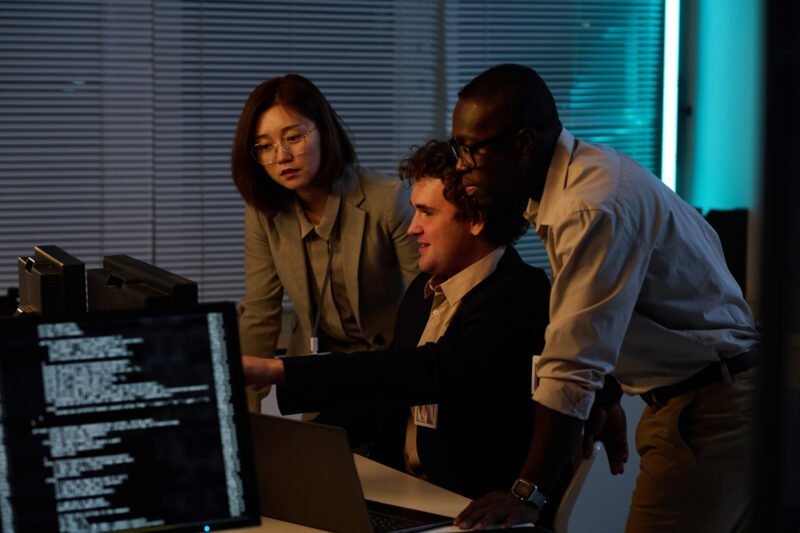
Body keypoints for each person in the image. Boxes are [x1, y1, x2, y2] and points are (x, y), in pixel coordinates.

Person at [448, 64, 760, 532]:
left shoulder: (589, 205)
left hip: (709, 409)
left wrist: (527, 492)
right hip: (707, 399)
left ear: (524, 142)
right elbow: (617, 312)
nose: (460, 165)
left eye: (470, 149)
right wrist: (609, 393)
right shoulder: (582, 178)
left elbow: (572, 361)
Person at [242, 141, 570, 525]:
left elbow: (426, 371)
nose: (413, 226)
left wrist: (279, 370)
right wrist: (291, 446)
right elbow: (385, 396)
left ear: (476, 219)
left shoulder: (519, 295)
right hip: (409, 496)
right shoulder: (423, 291)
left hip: (470, 509)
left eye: (427, 212)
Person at [231, 74, 420, 413]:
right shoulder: (264, 213)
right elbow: (260, 312)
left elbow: (430, 304)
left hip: (388, 370)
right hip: (315, 374)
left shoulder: (388, 200)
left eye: (293, 138)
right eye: (265, 146)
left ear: (324, 132)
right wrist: (244, 414)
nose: (281, 156)